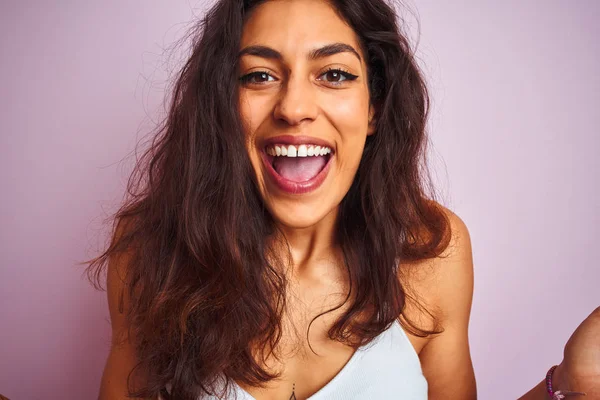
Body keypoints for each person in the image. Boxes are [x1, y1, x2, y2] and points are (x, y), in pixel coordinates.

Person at [84, 0, 600, 399]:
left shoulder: (432, 251)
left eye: (334, 74)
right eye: (259, 75)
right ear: (222, 103)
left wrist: (571, 386)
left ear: (374, 107)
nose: (294, 107)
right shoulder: (150, 251)